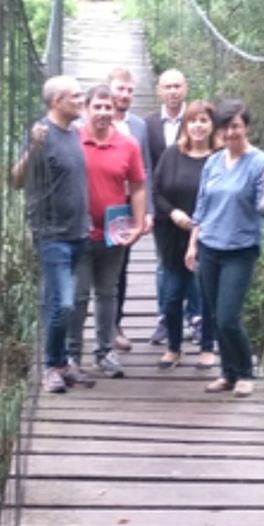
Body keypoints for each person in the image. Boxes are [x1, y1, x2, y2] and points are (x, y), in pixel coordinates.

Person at [184, 99, 264, 398]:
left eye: (235, 126)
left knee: (228, 316)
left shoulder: (259, 162)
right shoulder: (213, 161)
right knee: (214, 315)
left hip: (240, 249)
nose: (230, 133)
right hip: (209, 246)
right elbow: (201, 206)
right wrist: (192, 244)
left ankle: (245, 373)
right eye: (225, 127)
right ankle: (227, 373)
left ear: (246, 127)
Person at [10, 75, 96, 394]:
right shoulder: (40, 135)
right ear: (56, 102)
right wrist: (33, 148)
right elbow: (16, 180)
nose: (81, 99)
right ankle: (51, 366)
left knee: (59, 301)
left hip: (78, 232)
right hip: (52, 234)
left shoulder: (73, 132)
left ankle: (62, 363)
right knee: (64, 302)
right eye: (75, 96)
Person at [67, 84, 146, 379]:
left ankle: (104, 352)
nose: (103, 113)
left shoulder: (128, 145)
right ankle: (72, 356)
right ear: (85, 109)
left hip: (114, 234)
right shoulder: (71, 140)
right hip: (78, 232)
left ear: (116, 111)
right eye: (97, 107)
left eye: (108, 107)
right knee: (78, 295)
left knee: (107, 293)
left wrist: (138, 224)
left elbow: (138, 186)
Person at [152, 99, 217, 370]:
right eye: (193, 121)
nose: (198, 126)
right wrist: (173, 213)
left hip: (209, 236)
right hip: (172, 234)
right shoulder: (171, 155)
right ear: (185, 125)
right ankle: (174, 348)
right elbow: (156, 192)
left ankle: (206, 348)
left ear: (212, 125)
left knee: (206, 292)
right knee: (173, 294)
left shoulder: (219, 158)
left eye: (203, 121)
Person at [142, 69, 199, 346]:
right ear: (158, 91)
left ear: (186, 88)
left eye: (177, 86)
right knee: (165, 263)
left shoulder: (198, 120)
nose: (173, 91)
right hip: (163, 207)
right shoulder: (148, 124)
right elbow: (145, 168)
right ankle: (165, 319)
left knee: (196, 261)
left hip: (195, 206)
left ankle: (196, 318)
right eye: (168, 87)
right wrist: (150, 208)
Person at [105, 67, 153, 352]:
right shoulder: (91, 120)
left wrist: (145, 212)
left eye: (129, 90)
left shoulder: (138, 126)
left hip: (124, 207)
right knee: (87, 268)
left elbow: (145, 169)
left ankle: (114, 325)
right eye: (119, 88)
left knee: (121, 268)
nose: (124, 94)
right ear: (108, 88)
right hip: (96, 203)